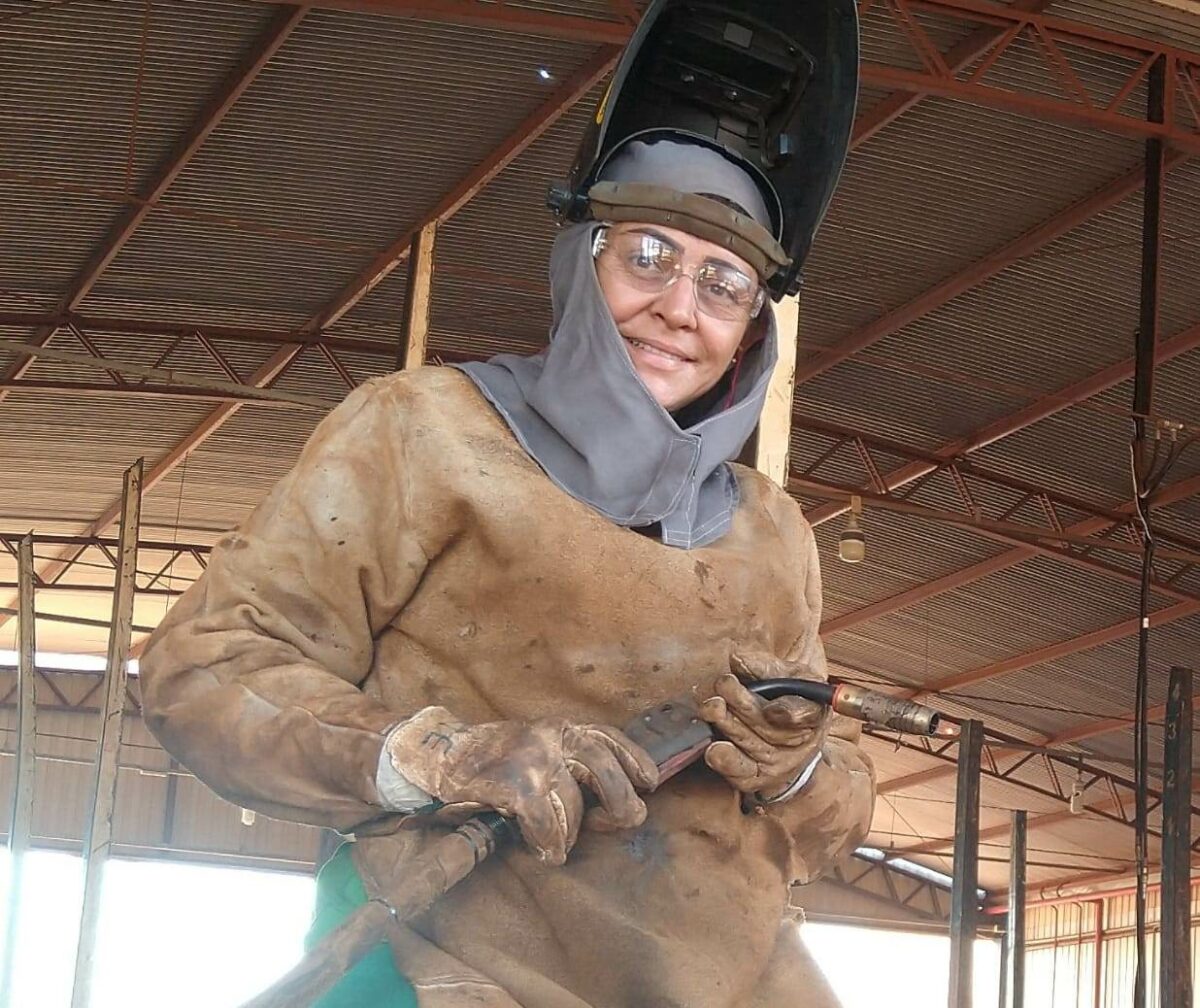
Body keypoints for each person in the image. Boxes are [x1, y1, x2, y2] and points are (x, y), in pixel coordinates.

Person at [140, 3, 875, 1005]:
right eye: (647, 255)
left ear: (751, 327)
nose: (679, 308)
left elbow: (831, 818)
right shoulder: (422, 433)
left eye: (725, 283)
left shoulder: (773, 533)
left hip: (729, 976)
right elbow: (205, 671)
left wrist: (796, 769)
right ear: (585, 257)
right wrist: (435, 756)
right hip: (451, 956)